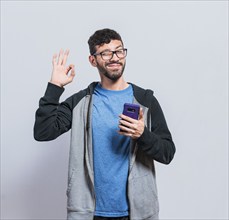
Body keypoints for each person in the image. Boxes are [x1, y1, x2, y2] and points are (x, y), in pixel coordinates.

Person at [34, 28, 176, 220]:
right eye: (106, 53)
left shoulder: (145, 100)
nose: (114, 57)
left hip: (137, 213)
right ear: (93, 60)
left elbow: (167, 153)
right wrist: (55, 87)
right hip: (89, 213)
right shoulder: (80, 102)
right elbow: (43, 132)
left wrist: (143, 134)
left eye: (119, 51)